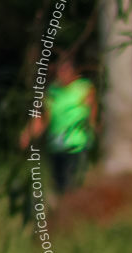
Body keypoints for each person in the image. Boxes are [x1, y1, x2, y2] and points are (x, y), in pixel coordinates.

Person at [20, 56, 97, 193]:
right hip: (56, 145)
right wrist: (28, 134)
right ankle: (64, 210)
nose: (62, 74)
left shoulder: (83, 88)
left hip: (77, 144)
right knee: (59, 184)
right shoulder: (52, 92)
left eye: (66, 70)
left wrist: (93, 129)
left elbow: (92, 112)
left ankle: (73, 209)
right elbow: (43, 119)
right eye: (60, 71)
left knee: (72, 182)